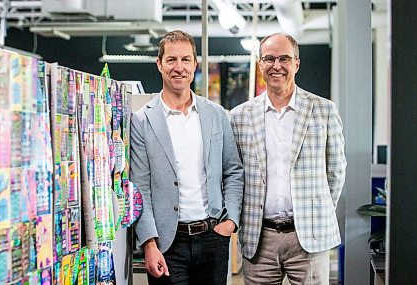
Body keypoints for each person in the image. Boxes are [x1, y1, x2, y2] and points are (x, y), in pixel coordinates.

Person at [230, 33, 347, 285]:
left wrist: (315, 211)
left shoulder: (323, 110)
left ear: (297, 63)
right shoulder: (239, 116)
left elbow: (336, 171)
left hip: (309, 236)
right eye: (269, 59)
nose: (276, 66)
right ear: (260, 63)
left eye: (284, 58)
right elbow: (234, 175)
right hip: (259, 237)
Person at [130, 30, 244, 285]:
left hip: (213, 236)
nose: (178, 67)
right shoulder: (142, 120)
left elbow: (233, 171)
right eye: (171, 60)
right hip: (168, 244)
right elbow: (139, 187)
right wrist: (149, 243)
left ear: (195, 64)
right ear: (159, 64)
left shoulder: (216, 114)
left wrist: (231, 221)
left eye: (185, 60)